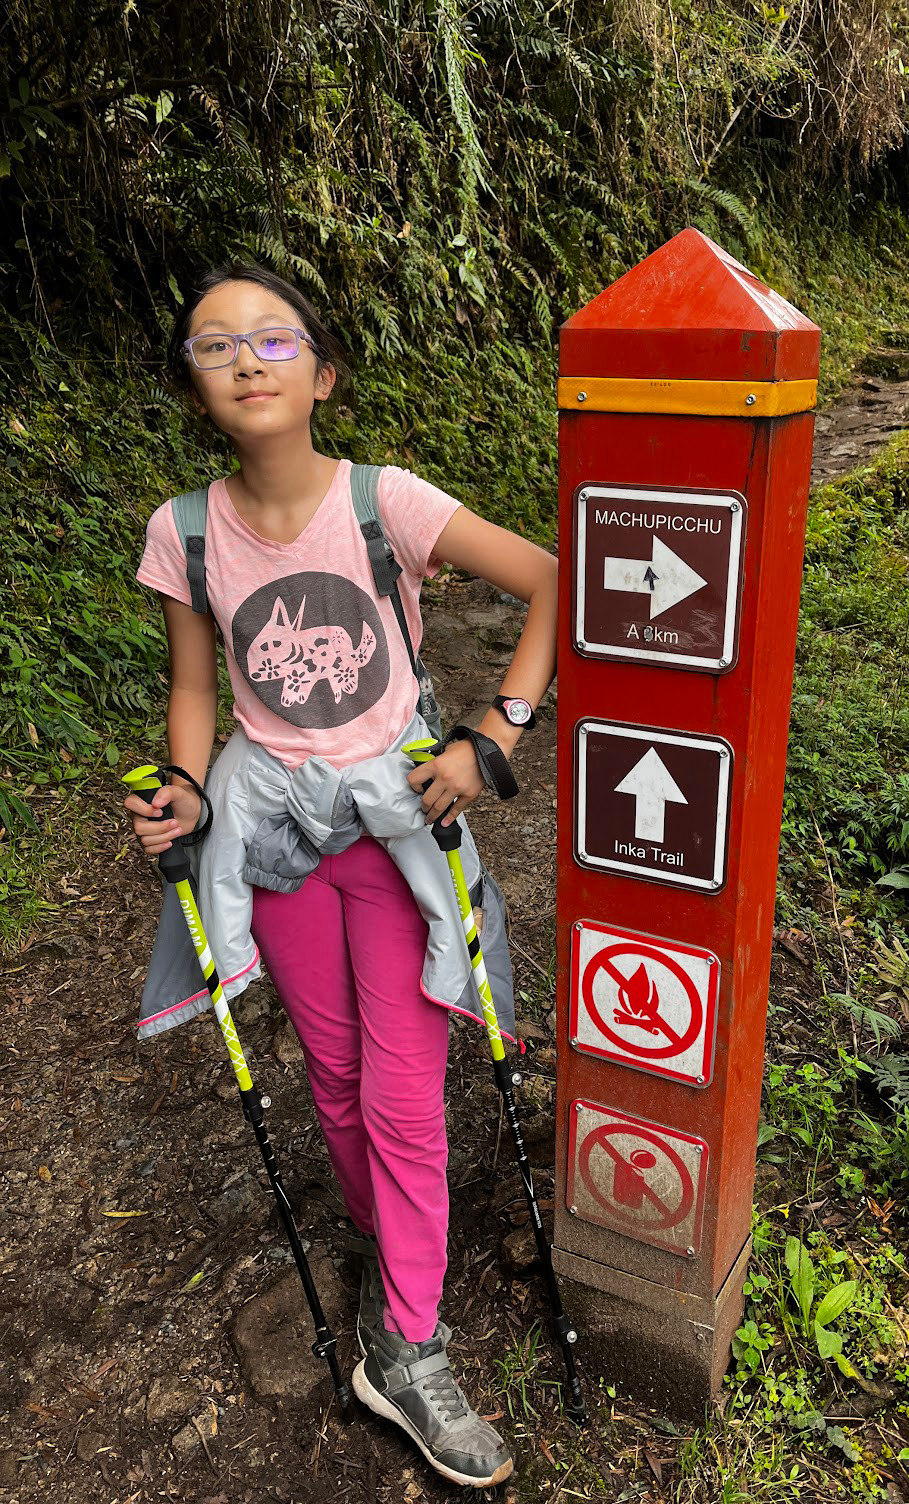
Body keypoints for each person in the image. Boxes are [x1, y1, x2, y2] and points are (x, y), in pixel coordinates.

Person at [123, 263, 558, 1489]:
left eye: (274, 338)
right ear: (196, 384)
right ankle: (393, 1243)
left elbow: (549, 581)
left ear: (323, 372)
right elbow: (201, 688)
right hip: (275, 844)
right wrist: (190, 790)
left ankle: (405, 1343)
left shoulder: (385, 503)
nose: (248, 358)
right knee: (336, 1076)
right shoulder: (187, 530)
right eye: (216, 345)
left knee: (406, 1093)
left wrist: (496, 735)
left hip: (402, 827)